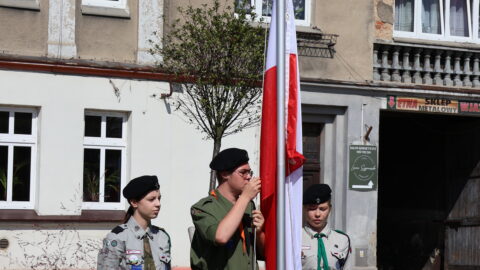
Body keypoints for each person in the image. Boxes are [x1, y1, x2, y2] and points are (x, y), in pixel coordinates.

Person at [190, 148, 265, 270]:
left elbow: (263, 253)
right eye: (243, 172)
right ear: (225, 174)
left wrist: (260, 232)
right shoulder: (204, 208)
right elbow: (220, 236)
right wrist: (245, 197)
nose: (248, 177)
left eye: (249, 172)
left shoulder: (248, 206)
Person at [98, 175, 171, 270]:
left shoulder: (162, 237)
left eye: (159, 198)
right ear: (134, 202)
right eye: (151, 199)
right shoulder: (118, 238)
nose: (158, 204)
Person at [302, 184, 351, 270]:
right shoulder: (294, 239)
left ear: (330, 209)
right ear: (304, 209)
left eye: (322, 209)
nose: (317, 214)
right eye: (312, 209)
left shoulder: (342, 239)